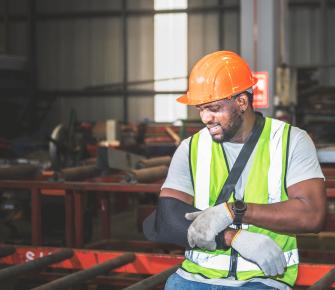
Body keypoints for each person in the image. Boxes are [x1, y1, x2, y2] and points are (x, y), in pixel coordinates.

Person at [144, 51, 326, 290]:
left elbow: (312, 215)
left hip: (264, 278)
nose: (206, 117)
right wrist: (232, 237)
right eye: (201, 108)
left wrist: (235, 211)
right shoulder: (191, 148)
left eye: (214, 108)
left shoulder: (290, 140)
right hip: (194, 278)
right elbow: (167, 220)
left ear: (241, 102)